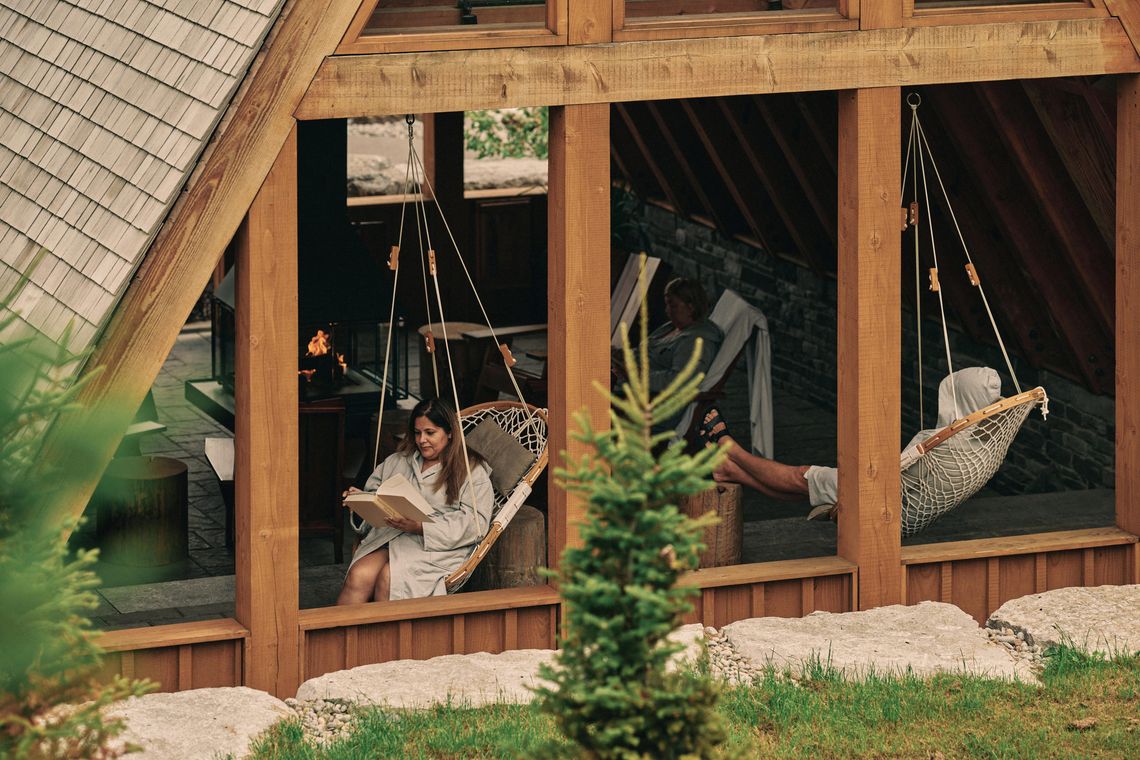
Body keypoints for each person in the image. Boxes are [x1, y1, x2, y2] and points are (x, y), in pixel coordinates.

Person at [700, 367, 1003, 517]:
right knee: (808, 488)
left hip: (886, 499)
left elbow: (897, 472)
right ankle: (730, 471)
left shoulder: (943, 445)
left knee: (800, 476)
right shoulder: (981, 443)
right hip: (907, 495)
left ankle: (730, 448)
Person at [337, 398, 494, 604]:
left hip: (437, 547)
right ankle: (341, 636)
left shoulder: (471, 470)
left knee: (390, 579)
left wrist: (421, 527)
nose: (421, 440)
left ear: (449, 432)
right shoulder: (399, 460)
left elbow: (475, 524)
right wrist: (361, 501)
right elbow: (375, 492)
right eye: (417, 432)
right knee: (359, 575)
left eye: (430, 433)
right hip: (392, 536)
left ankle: (386, 636)